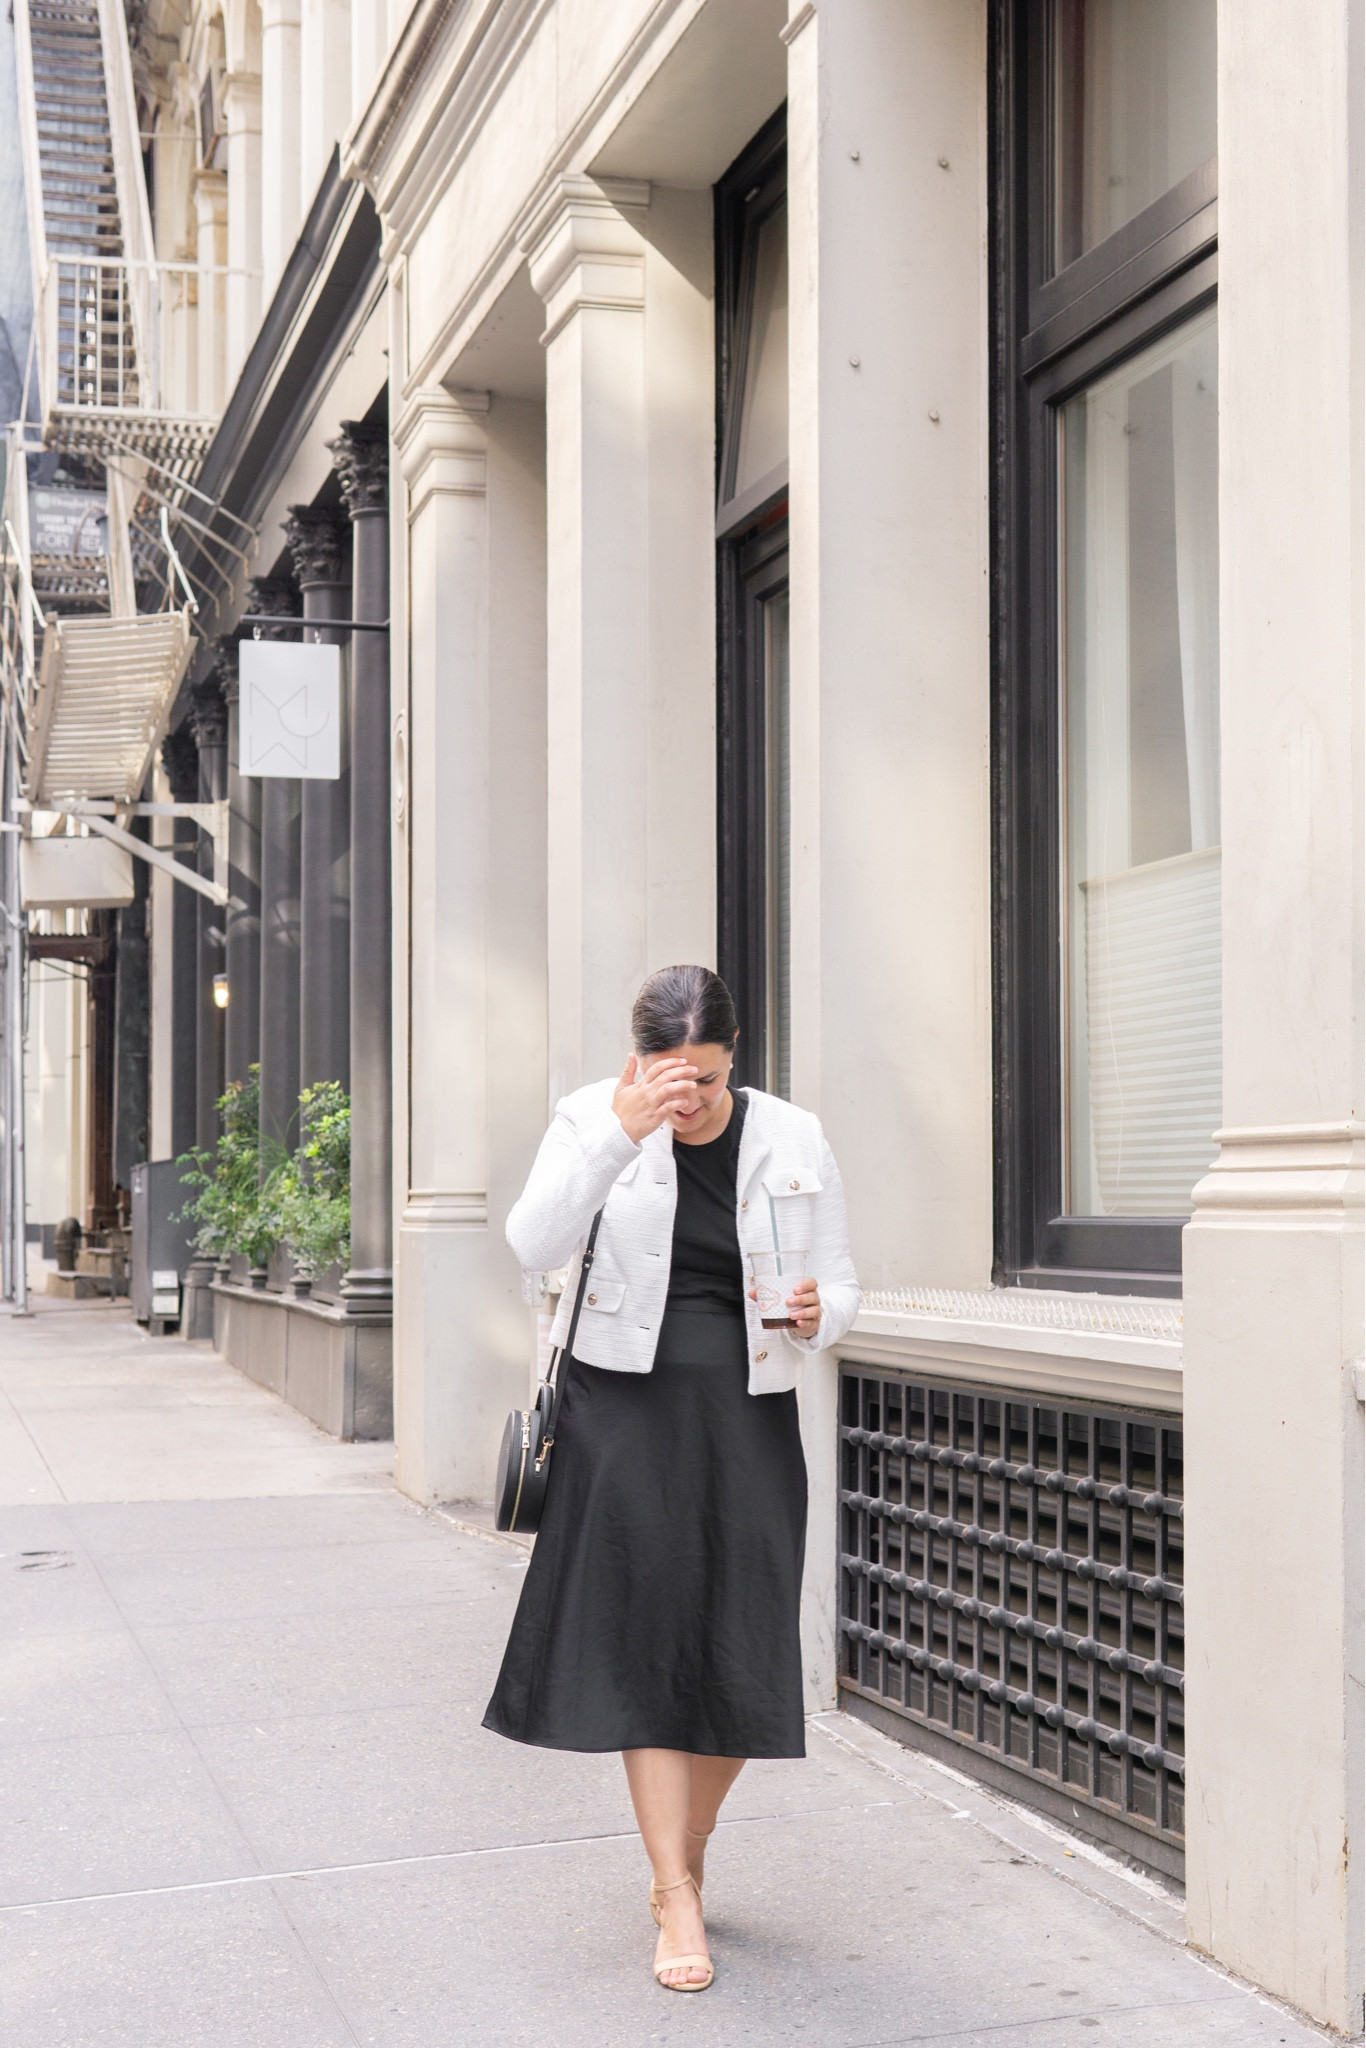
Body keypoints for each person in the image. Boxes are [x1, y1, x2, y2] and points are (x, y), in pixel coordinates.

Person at [483, 964, 859, 1991]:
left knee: (742, 1637)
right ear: (637, 1055)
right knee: (647, 1644)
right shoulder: (591, 1119)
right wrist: (619, 1129)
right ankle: (672, 1892)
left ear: (734, 1055)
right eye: (664, 1070)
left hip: (748, 1408)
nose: (681, 1092)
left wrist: (822, 1309)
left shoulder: (791, 1133)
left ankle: (684, 1843)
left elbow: (843, 1278)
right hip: (623, 1412)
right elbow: (531, 1243)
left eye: (699, 1072)